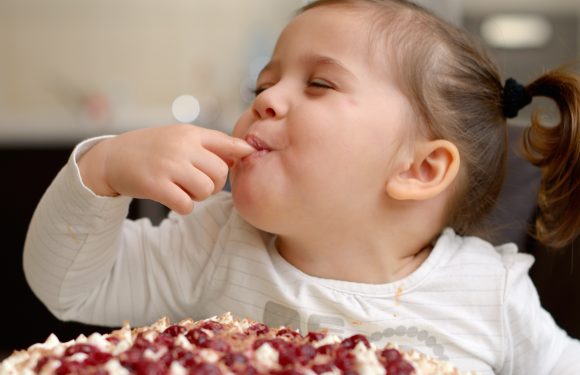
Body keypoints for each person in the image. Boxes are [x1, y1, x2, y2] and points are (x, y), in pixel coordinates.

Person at [23, 0, 580, 373]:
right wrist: (101, 168)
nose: (264, 100)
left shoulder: (490, 294)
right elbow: (69, 288)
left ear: (420, 169)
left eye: (318, 83)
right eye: (262, 83)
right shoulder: (214, 243)